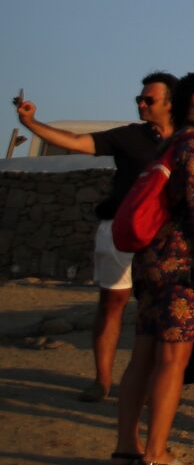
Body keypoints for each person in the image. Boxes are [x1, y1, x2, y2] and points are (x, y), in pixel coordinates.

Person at [11, 72, 178, 401]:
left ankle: (152, 382)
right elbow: (76, 142)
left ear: (171, 103)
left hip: (165, 237)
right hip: (119, 229)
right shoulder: (129, 137)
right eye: (139, 100)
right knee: (112, 302)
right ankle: (101, 380)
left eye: (149, 100)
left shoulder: (187, 141)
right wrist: (32, 122)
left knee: (162, 310)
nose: (141, 104)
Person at [113, 69, 194, 465]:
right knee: (173, 357)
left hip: (152, 260)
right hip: (184, 263)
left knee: (142, 355)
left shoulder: (171, 143)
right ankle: (155, 456)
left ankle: (126, 447)